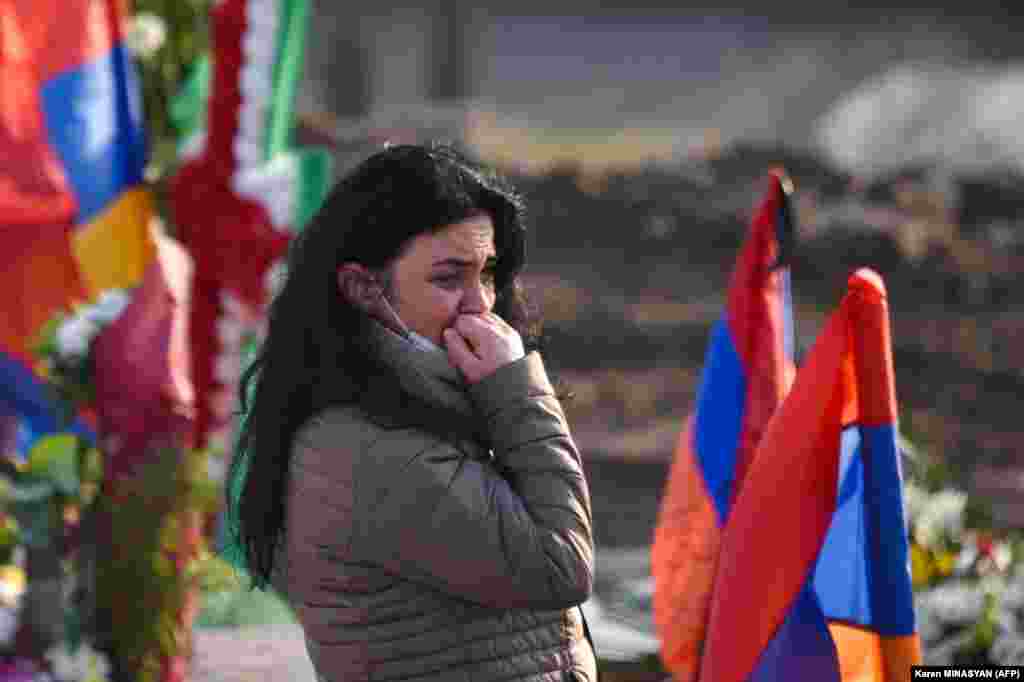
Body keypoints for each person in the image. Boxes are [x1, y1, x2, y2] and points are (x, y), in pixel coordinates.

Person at [226, 143, 597, 682]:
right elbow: (562, 565)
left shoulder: (420, 407)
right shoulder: (364, 448)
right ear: (362, 288)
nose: (480, 305)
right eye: (449, 278)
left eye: (487, 274)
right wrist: (516, 390)